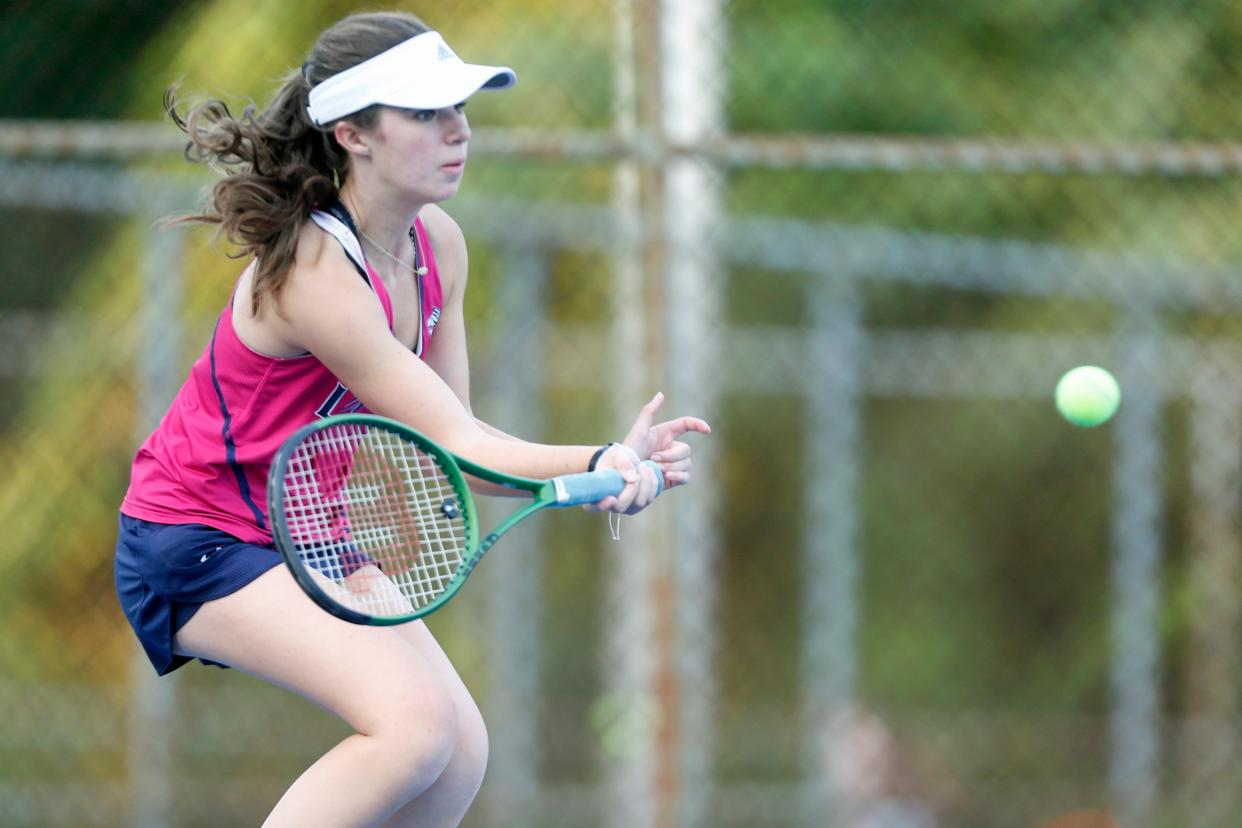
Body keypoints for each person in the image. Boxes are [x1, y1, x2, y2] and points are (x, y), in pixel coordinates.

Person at [113, 11, 710, 828]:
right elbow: (464, 441)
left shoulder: (440, 247)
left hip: (302, 534)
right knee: (413, 729)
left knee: (457, 755)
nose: (457, 131)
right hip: (193, 535)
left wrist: (597, 469)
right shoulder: (316, 272)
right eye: (426, 114)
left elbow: (453, 452)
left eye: (460, 109)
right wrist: (603, 455)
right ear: (354, 133)